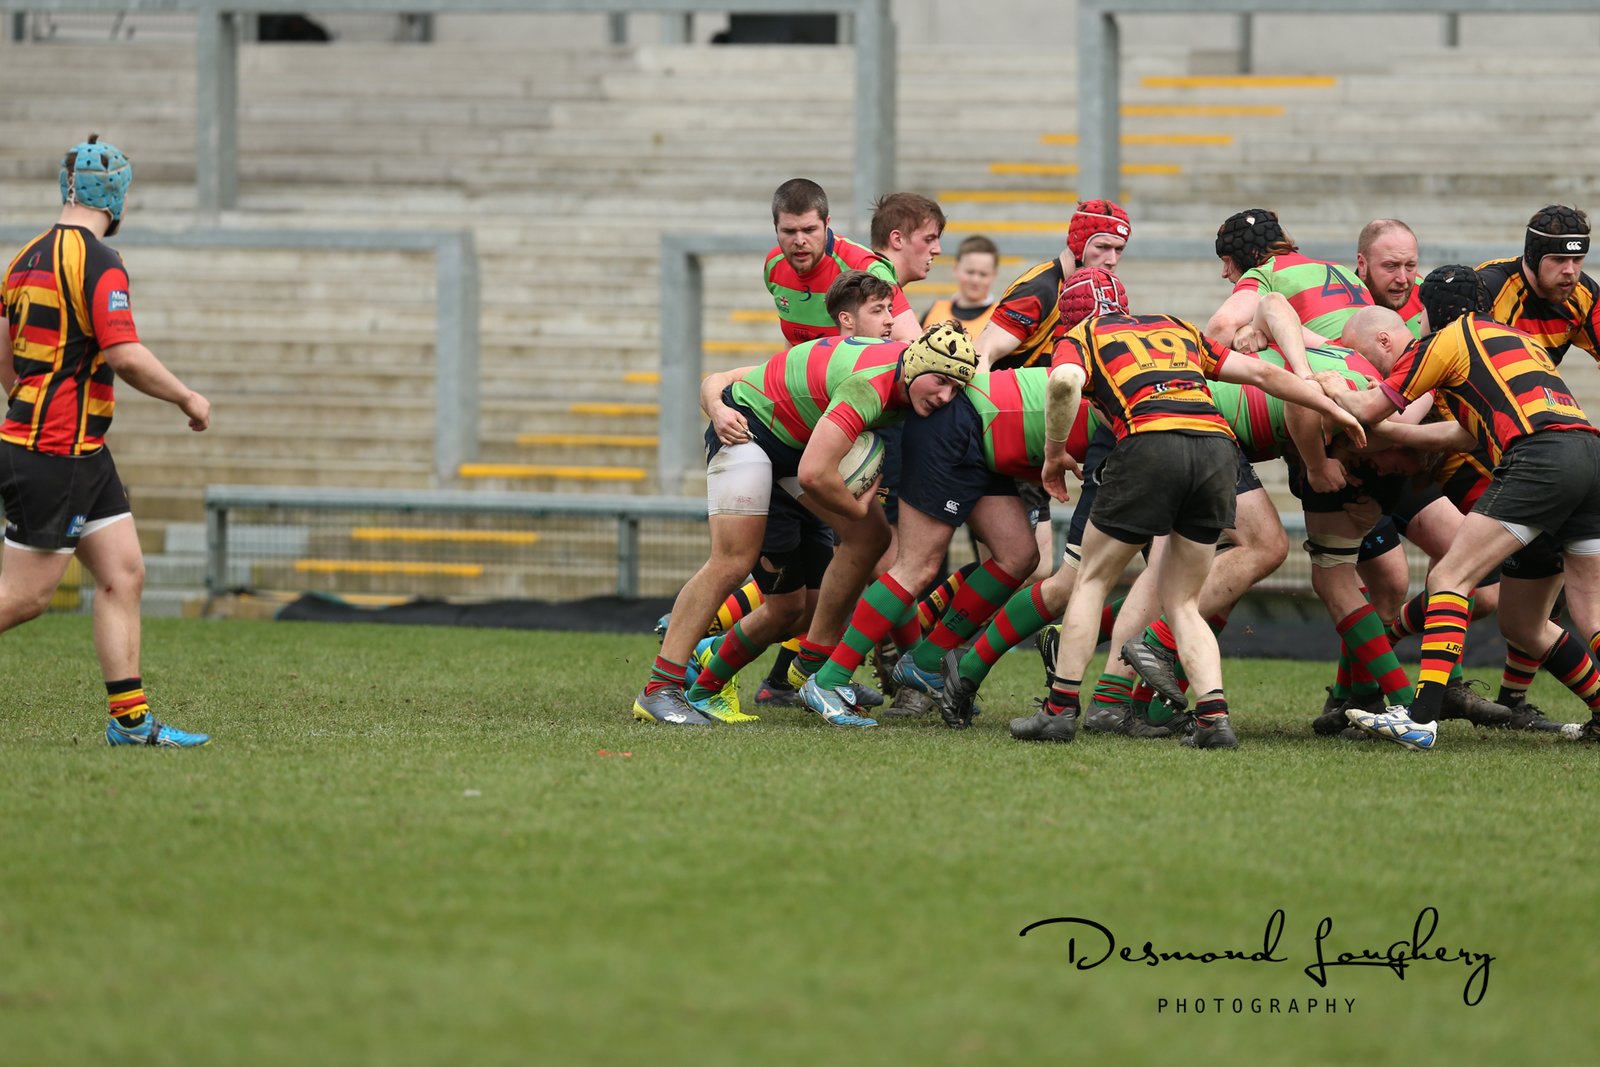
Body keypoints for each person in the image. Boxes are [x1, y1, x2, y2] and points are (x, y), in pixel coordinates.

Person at [1014, 285, 1365, 749]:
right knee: (1183, 600)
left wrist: (1054, 453)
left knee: (1092, 580)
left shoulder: (1082, 334)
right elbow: (1261, 372)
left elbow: (1062, 382)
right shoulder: (1175, 326)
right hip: (1216, 450)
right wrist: (1329, 405)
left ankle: (1058, 711)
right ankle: (1213, 720)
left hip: (1149, 441)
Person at [632, 311, 976, 728]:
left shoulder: (903, 365)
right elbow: (814, 475)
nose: (945, 396)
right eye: (940, 381)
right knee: (732, 561)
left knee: (870, 538)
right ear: (916, 365)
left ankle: (814, 662)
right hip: (749, 433)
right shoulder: (870, 385)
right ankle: (659, 688)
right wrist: (855, 507)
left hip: (792, 446)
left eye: (955, 388)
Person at [0, 134, 212, 748]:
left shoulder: (24, 258)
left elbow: (4, 353)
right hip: (55, 452)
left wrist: (29, 400)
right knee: (25, 598)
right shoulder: (100, 261)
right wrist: (187, 398)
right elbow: (124, 354)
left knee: (123, 572)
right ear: (116, 198)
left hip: (79, 451)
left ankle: (131, 722)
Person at [1330, 271, 1600, 748]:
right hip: (1589, 454)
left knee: (1449, 577)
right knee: (1535, 622)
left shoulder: (1443, 340)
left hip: (1540, 458)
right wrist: (1395, 434)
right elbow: (1464, 433)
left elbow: (1369, 408)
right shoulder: (1517, 339)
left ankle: (1421, 718)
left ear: (1430, 312)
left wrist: (1330, 385)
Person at [971, 199, 1131, 580]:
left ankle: (941, 612)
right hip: (1006, 431)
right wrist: (979, 428)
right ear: (1077, 243)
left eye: (1119, 250)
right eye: (1102, 247)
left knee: (1028, 567)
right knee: (1024, 567)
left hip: (1039, 438)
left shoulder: (1097, 290)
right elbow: (982, 353)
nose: (1111, 259)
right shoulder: (1042, 288)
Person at [763, 177, 920, 346]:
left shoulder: (865, 268)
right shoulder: (774, 264)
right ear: (776, 227)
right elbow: (794, 342)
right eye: (789, 231)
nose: (800, 241)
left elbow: (913, 342)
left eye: (809, 230)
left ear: (826, 223)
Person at [1207, 207, 1372, 357]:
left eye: (1227, 261)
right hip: (1375, 370)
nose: (1224, 273)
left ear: (1252, 254)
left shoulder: (1265, 273)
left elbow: (1221, 325)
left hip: (1338, 365)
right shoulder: (1344, 271)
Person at [1475, 204, 1600, 366]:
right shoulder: (1487, 289)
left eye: (1577, 259)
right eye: (1558, 259)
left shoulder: (1585, 295)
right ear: (1533, 258)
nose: (1570, 270)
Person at [922, 235, 1000, 338]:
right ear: (956, 269)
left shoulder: (1000, 320)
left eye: (983, 274)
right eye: (970, 272)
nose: (975, 280)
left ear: (994, 275)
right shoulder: (934, 311)